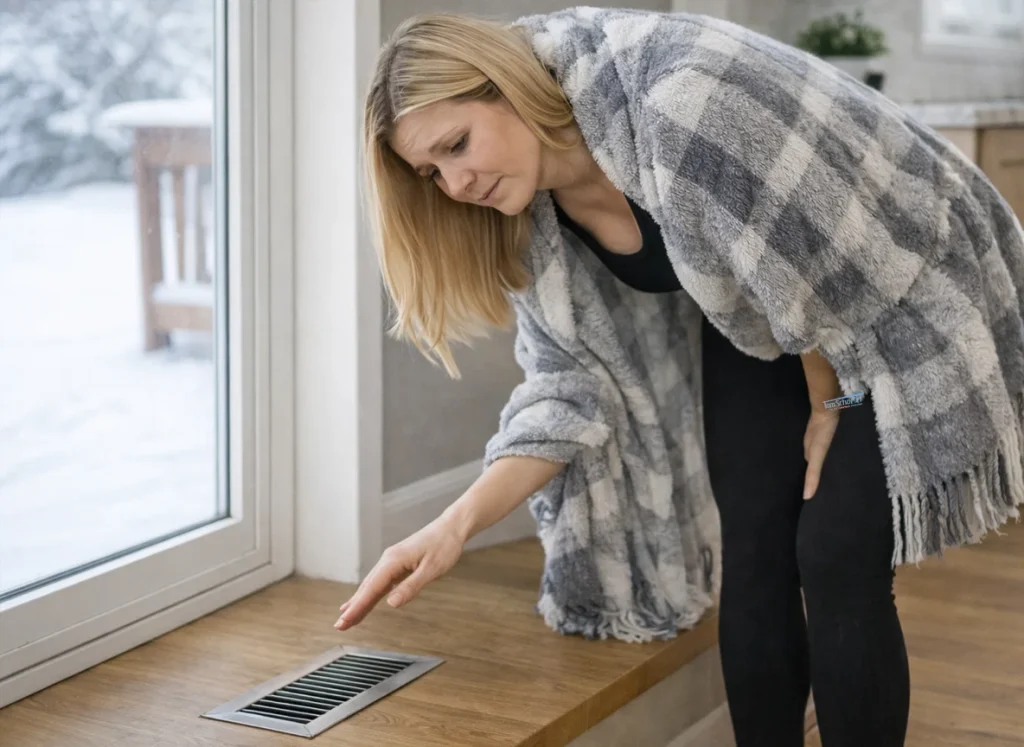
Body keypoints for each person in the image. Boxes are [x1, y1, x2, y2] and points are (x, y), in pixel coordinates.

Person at [335, 8, 1024, 747]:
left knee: (833, 552)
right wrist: (451, 527)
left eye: (457, 144)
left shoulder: (680, 103)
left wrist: (831, 399)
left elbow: (823, 286)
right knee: (755, 550)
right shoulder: (527, 213)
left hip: (893, 281)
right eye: (432, 172)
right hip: (757, 314)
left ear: (504, 87)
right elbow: (569, 386)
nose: (456, 182)